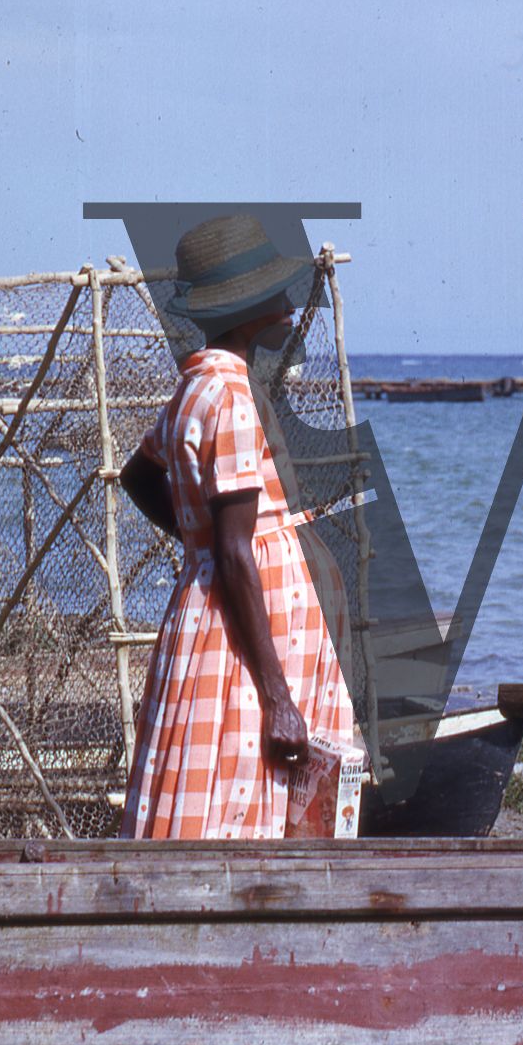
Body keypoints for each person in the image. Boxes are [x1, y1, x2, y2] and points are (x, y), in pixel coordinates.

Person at [117, 213, 355, 840]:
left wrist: (199, 545)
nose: (287, 305)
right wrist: (277, 695)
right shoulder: (232, 401)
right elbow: (235, 548)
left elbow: (138, 478)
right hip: (251, 627)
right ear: (247, 307)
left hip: (222, 613)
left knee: (221, 774)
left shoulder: (194, 390)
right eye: (275, 293)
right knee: (247, 779)